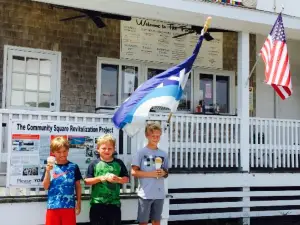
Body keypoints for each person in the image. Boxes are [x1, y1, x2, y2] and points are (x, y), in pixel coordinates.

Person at [85, 134, 129, 225]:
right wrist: (101, 178)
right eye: (104, 148)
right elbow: (87, 181)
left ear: (114, 149)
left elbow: (126, 179)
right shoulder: (94, 163)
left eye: (110, 148)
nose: (107, 151)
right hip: (97, 204)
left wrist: (117, 179)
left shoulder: (119, 163)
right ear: (98, 149)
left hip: (114, 204)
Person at [131, 122, 169, 225]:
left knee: (156, 221)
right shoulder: (140, 153)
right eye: (153, 136)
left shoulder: (163, 154)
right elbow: (133, 172)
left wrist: (163, 172)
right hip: (145, 194)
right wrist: (152, 174)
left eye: (158, 136)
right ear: (147, 136)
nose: (156, 138)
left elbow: (166, 173)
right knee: (143, 222)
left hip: (159, 194)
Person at [42, 136, 82, 225]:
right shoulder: (50, 167)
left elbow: (78, 186)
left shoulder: (74, 167)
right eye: (59, 152)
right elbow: (45, 186)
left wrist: (79, 203)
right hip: (52, 207)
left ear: (68, 150)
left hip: (69, 207)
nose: (62, 154)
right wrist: (48, 172)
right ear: (53, 152)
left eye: (64, 151)